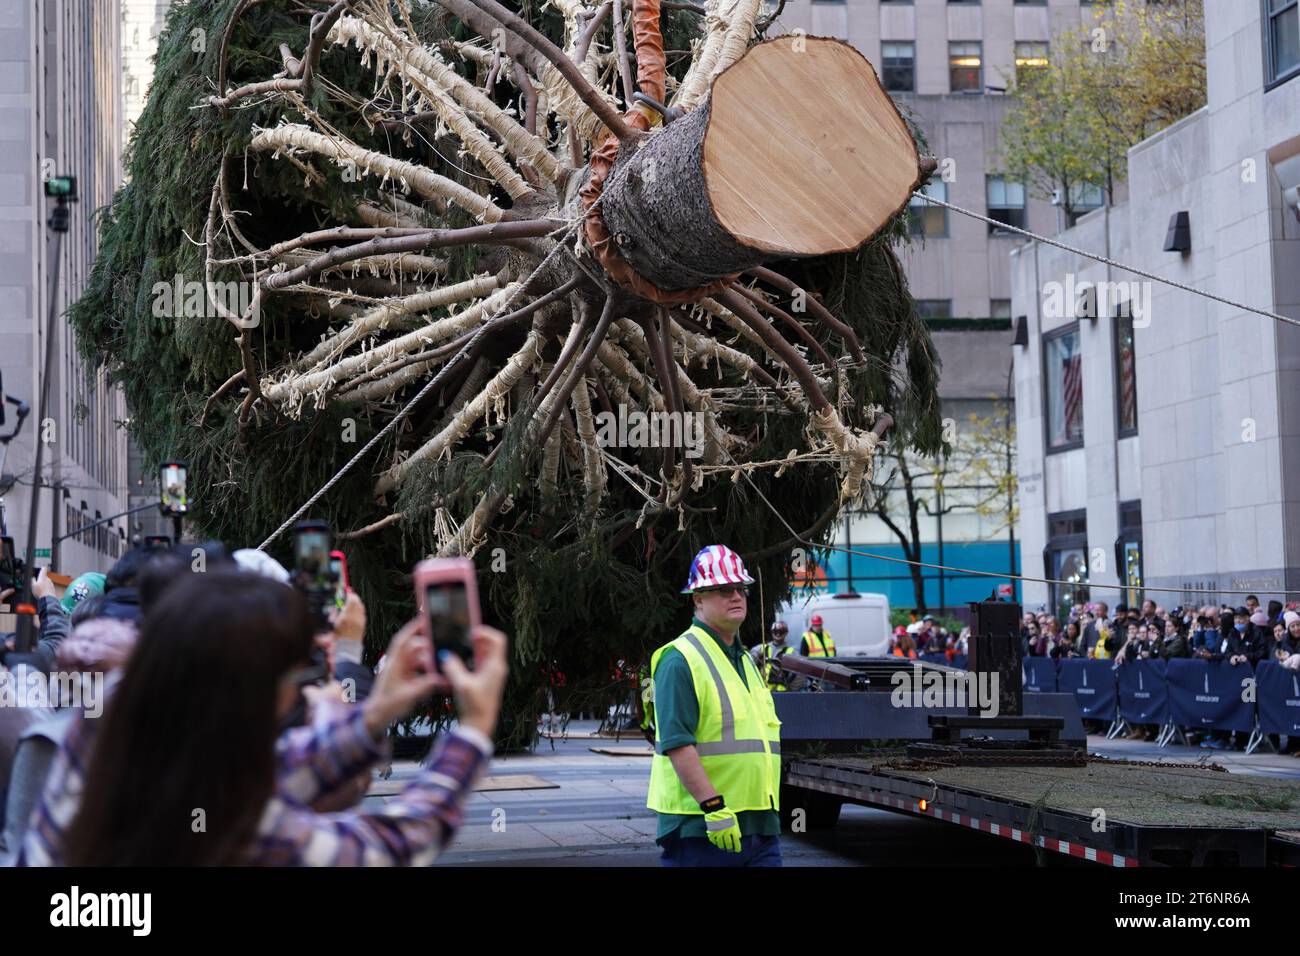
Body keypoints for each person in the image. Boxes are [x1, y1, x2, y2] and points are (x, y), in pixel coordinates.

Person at [20, 570, 508, 865]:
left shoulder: (117, 711)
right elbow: (392, 846)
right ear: (250, 697)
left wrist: (376, 712)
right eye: (293, 681)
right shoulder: (237, 830)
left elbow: (272, 773)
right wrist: (472, 733)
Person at [644, 545, 781, 867]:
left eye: (740, 588)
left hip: (760, 825)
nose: (736, 596)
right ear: (698, 598)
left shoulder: (745, 660)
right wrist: (713, 806)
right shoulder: (679, 659)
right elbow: (678, 744)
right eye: (723, 589)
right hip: (702, 826)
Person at [753, 620, 793, 692]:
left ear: (786, 633)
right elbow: (749, 662)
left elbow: (798, 676)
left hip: (783, 693)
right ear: (772, 632)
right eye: (775, 631)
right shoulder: (761, 649)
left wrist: (792, 691)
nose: (778, 634)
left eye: (781, 631)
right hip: (764, 691)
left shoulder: (791, 652)